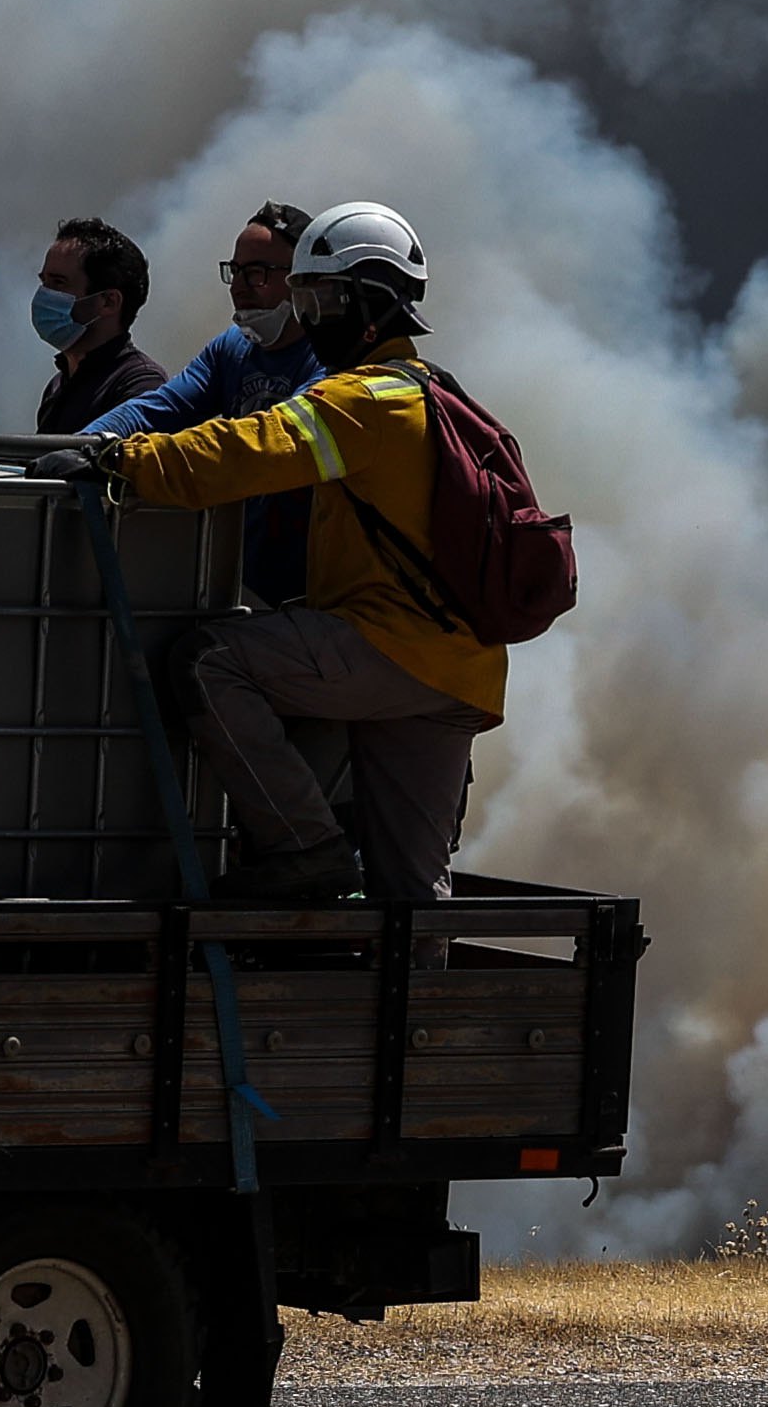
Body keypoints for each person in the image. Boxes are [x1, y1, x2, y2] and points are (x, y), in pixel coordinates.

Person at [88, 201, 500, 906]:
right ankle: (421, 1012)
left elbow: (243, 450)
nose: (307, 315)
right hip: (457, 670)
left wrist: (122, 465)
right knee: (412, 894)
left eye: (317, 297)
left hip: (388, 645)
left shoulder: (362, 401)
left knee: (207, 659)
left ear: (365, 304)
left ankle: (303, 849)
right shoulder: (430, 391)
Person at [85, 202, 319, 600]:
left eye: (258, 272)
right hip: (241, 578)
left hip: (310, 590)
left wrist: (125, 459)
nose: (240, 286)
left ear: (303, 280)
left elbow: (268, 445)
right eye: (236, 270)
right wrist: (86, 444)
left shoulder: (329, 358)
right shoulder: (230, 350)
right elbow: (157, 408)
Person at [32, 217, 168, 434]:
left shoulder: (140, 385)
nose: (44, 294)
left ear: (108, 301)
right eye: (43, 282)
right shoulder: (58, 386)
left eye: (58, 283)